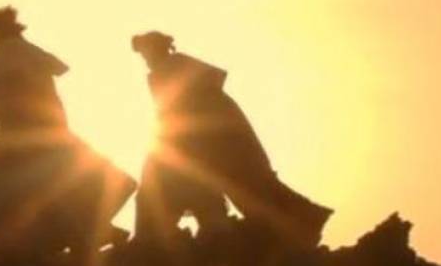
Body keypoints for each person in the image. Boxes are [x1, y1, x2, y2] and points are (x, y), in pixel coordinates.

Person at [132, 31, 332, 247]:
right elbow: (166, 111)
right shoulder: (156, 76)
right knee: (232, 185)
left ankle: (300, 224)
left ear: (158, 48)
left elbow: (211, 81)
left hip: (219, 132)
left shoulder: (178, 63)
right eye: (143, 55)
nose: (146, 59)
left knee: (250, 183)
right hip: (193, 135)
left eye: (147, 52)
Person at [0, 7, 134, 252]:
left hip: (26, 134)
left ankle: (80, 231)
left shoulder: (9, 49)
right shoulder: (18, 49)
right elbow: (56, 67)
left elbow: (10, 79)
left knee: (16, 193)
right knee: (82, 183)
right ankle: (87, 230)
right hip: (44, 132)